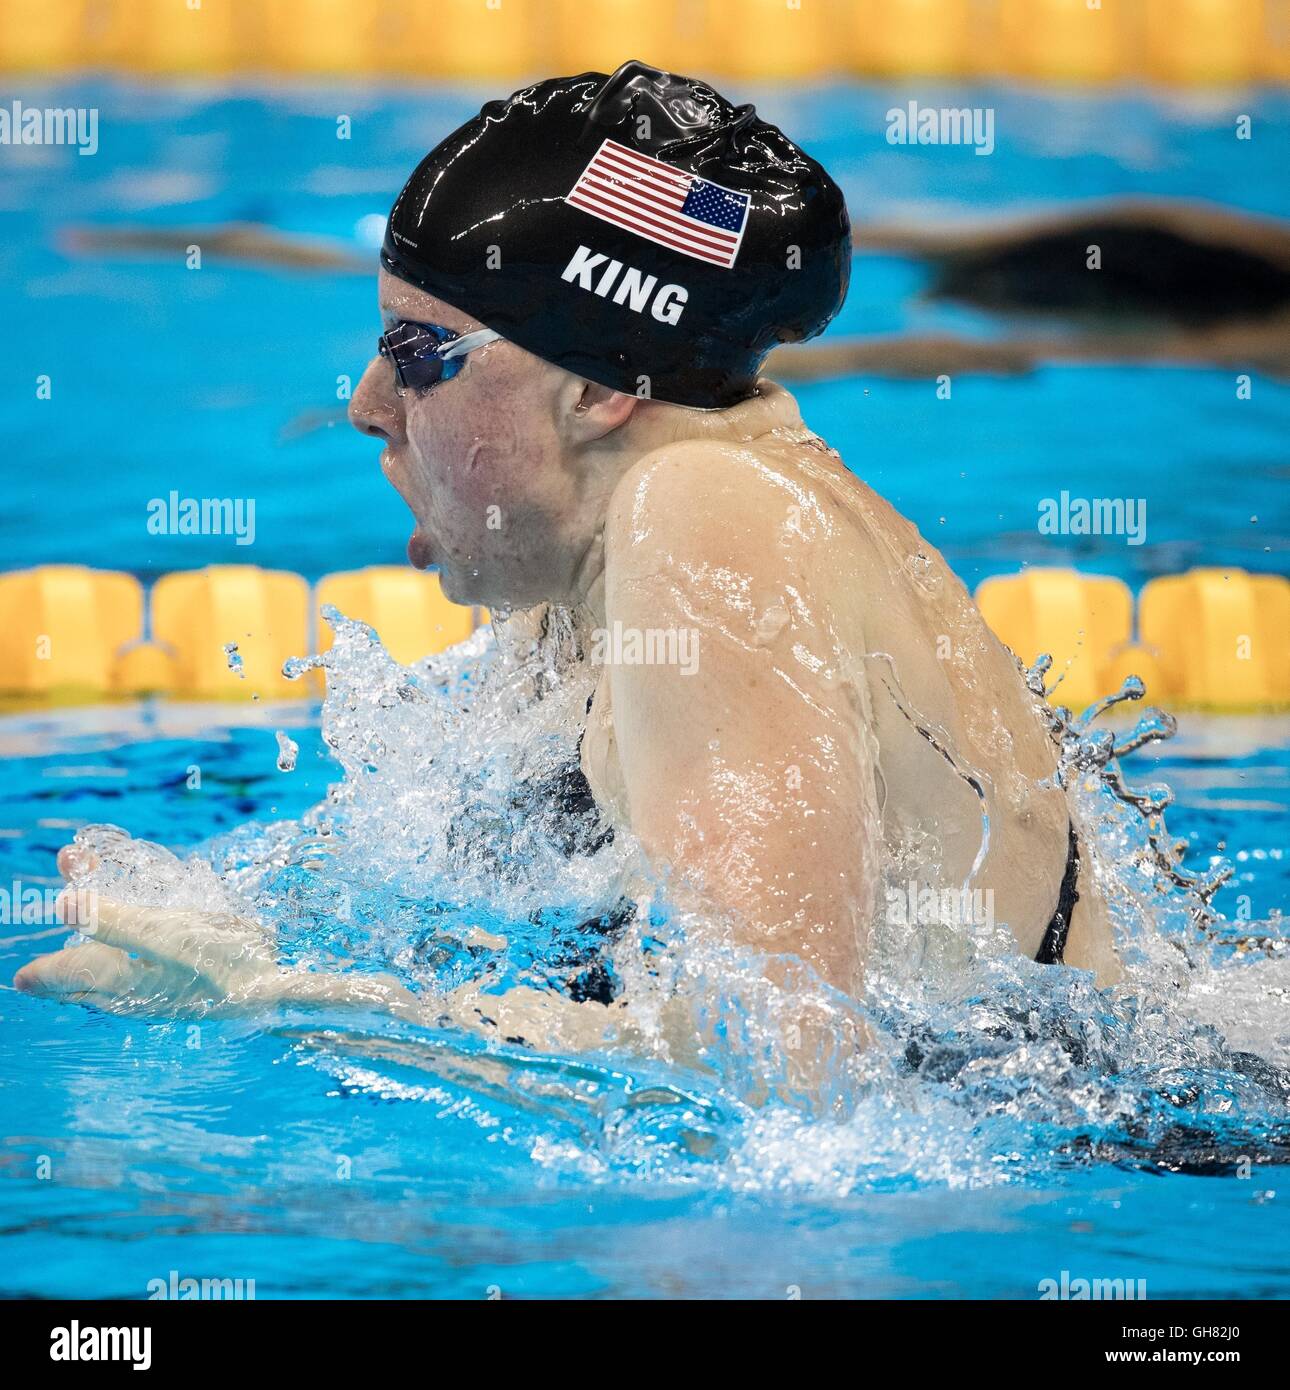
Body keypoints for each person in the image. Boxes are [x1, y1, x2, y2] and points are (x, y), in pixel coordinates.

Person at [14, 61, 1121, 1057]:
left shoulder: (701, 509)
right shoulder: (629, 553)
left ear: (596, 388)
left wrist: (280, 992)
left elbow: (790, 1065)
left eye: (416, 354)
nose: (365, 407)